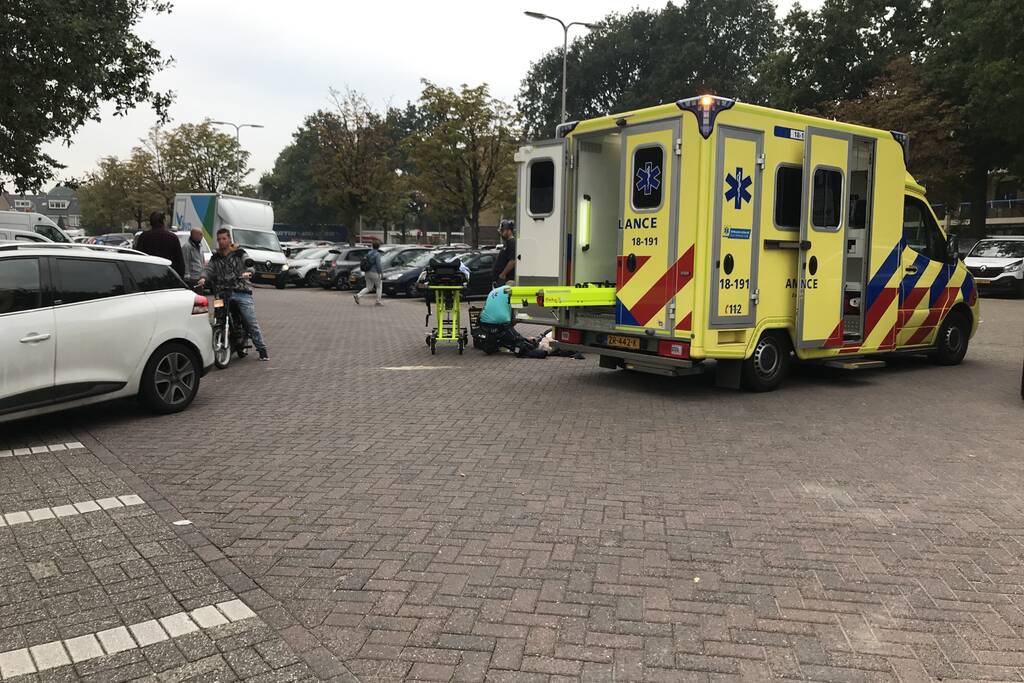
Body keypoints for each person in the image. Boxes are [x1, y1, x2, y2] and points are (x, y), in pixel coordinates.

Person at [197, 228, 270, 361]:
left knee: (250, 321)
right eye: (219, 239)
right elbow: (208, 269)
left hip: (241, 291)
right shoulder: (215, 257)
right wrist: (203, 277)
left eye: (224, 238)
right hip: (221, 293)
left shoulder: (239, 252)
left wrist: (248, 272)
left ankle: (262, 349)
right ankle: (221, 340)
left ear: (229, 239)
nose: (221, 241)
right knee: (217, 317)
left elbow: (249, 264)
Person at [478, 282, 545, 358]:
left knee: (503, 332)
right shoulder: (511, 291)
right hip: (500, 324)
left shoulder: (493, 291)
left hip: (484, 323)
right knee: (517, 339)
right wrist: (516, 320)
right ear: (514, 287)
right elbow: (513, 316)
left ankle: (493, 343)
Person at [136, 212, 186, 277]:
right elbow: (179, 261)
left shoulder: (143, 237)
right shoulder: (172, 237)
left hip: (147, 275)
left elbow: (138, 257)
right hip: (167, 274)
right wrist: (180, 276)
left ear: (151, 222)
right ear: (163, 221)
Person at [354, 239, 384, 306]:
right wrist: (381, 273)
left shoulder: (368, 253)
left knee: (368, 287)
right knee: (379, 286)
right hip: (374, 272)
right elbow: (378, 265)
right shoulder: (377, 254)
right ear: (378, 246)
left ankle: (358, 295)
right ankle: (378, 301)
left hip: (367, 272)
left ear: (372, 246)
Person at [492, 219, 516, 287]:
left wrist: (503, 274)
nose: (501, 233)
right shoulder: (507, 243)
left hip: (506, 279)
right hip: (501, 279)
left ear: (509, 231)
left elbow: (513, 261)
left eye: (502, 230)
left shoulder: (512, 243)